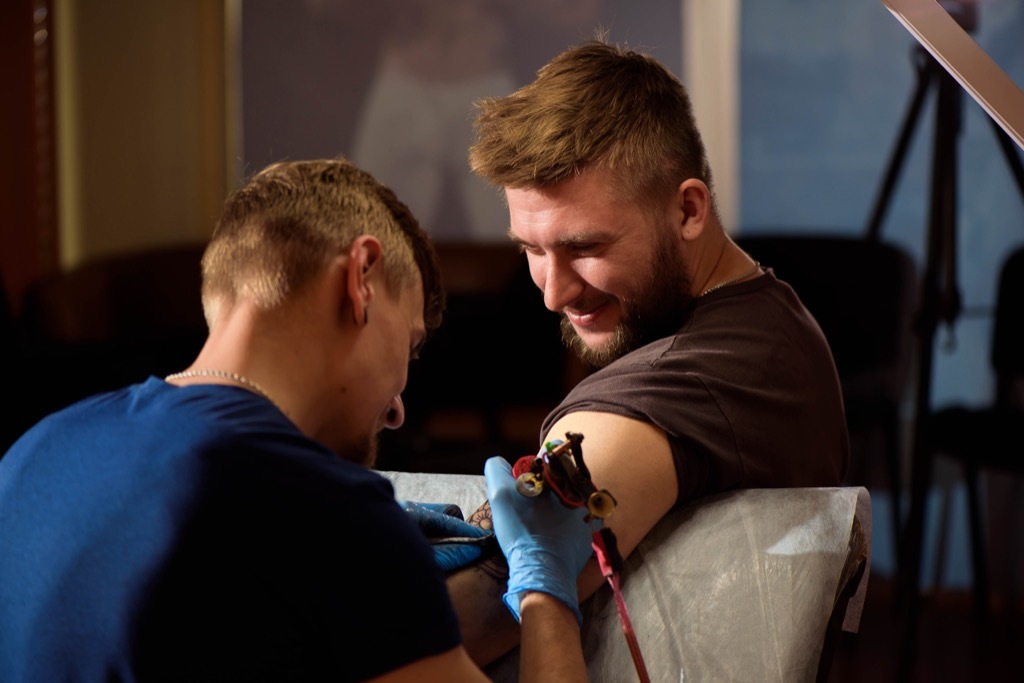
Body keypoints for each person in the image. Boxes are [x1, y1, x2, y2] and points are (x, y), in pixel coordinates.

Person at [0, 158, 594, 682]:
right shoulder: (323, 509)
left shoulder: (31, 455)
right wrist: (545, 583)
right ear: (360, 278)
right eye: (407, 347)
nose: (397, 407)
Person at [448, 39, 851, 665]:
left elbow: (451, 624)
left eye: (584, 246)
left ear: (688, 209)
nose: (554, 293)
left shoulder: (684, 384)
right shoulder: (771, 315)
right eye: (531, 250)